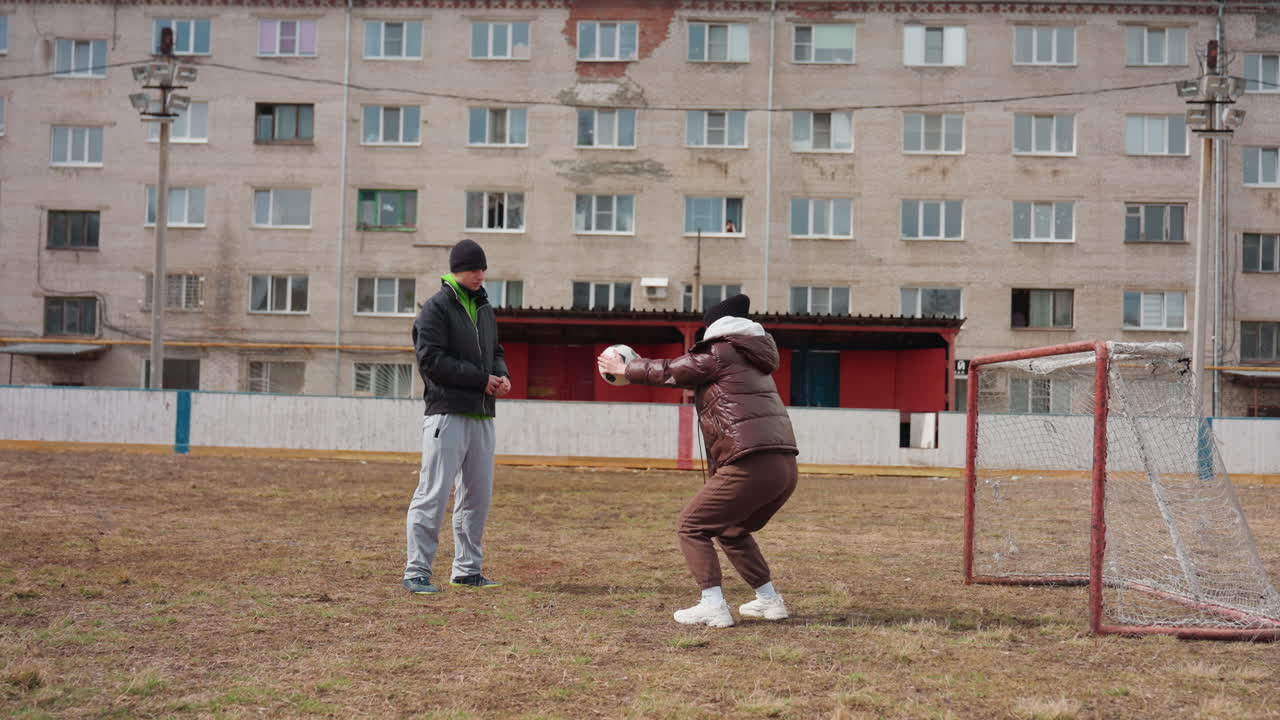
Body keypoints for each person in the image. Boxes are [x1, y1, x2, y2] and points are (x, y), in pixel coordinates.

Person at [596, 294, 798, 627]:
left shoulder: (721, 350)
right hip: (783, 466)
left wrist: (626, 368)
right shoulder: (752, 354)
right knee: (731, 530)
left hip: (749, 463)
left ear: (714, 327)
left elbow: (671, 371)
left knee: (692, 526)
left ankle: (713, 605)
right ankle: (769, 600)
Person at [403, 239, 511, 595]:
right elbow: (431, 360)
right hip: (446, 414)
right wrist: (482, 380)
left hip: (482, 416)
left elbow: (495, 349)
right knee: (432, 493)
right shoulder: (435, 308)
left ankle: (467, 569)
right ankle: (416, 571)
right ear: (455, 270)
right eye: (473, 269)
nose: (480, 274)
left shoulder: (484, 308)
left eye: (482, 268)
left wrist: (501, 373)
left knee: (477, 496)